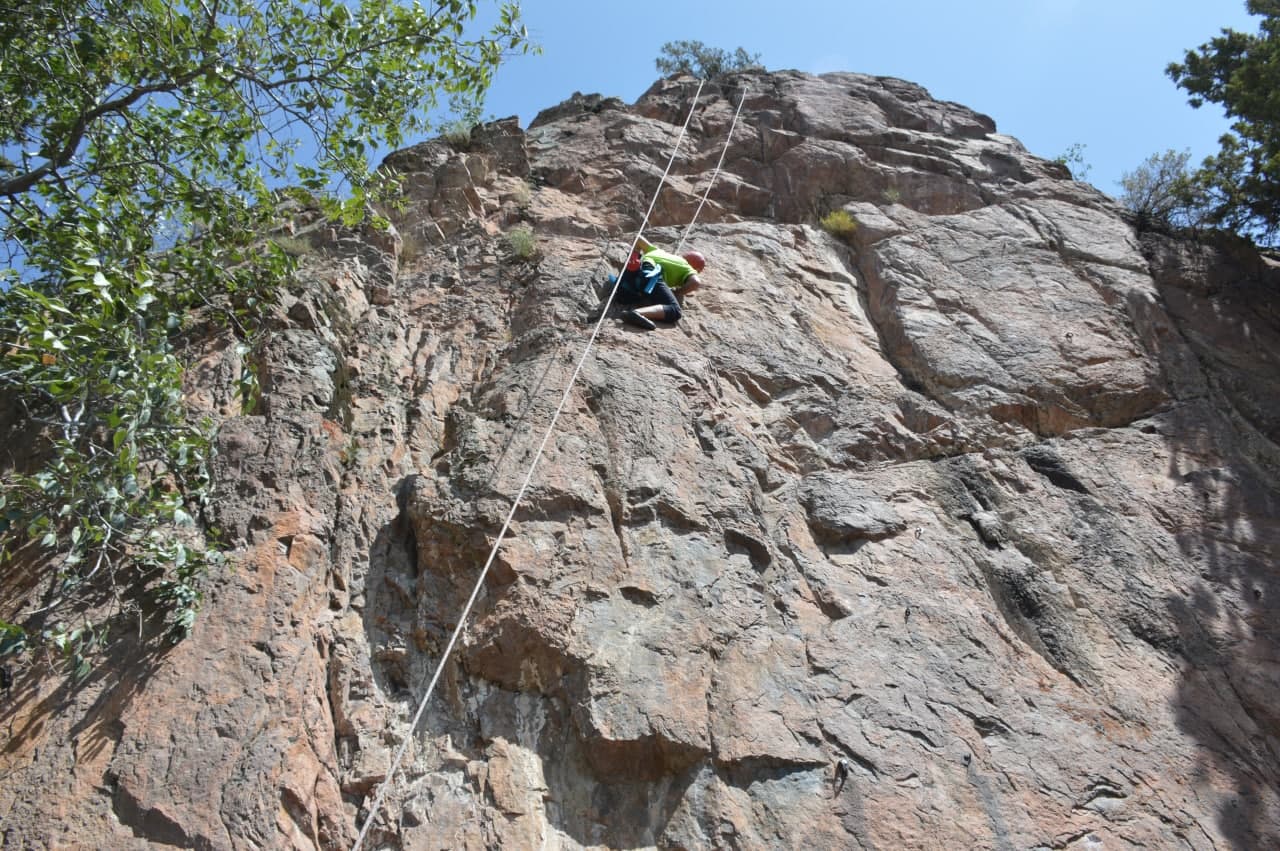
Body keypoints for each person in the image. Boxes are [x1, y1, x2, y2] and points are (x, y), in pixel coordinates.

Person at [608, 236, 706, 330]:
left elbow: (638, 239)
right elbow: (695, 282)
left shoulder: (659, 251)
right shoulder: (687, 267)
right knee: (674, 311)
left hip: (629, 277)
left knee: (627, 299)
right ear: (696, 268)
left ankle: (631, 281)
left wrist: (635, 255)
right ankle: (636, 313)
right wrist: (677, 293)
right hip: (650, 275)